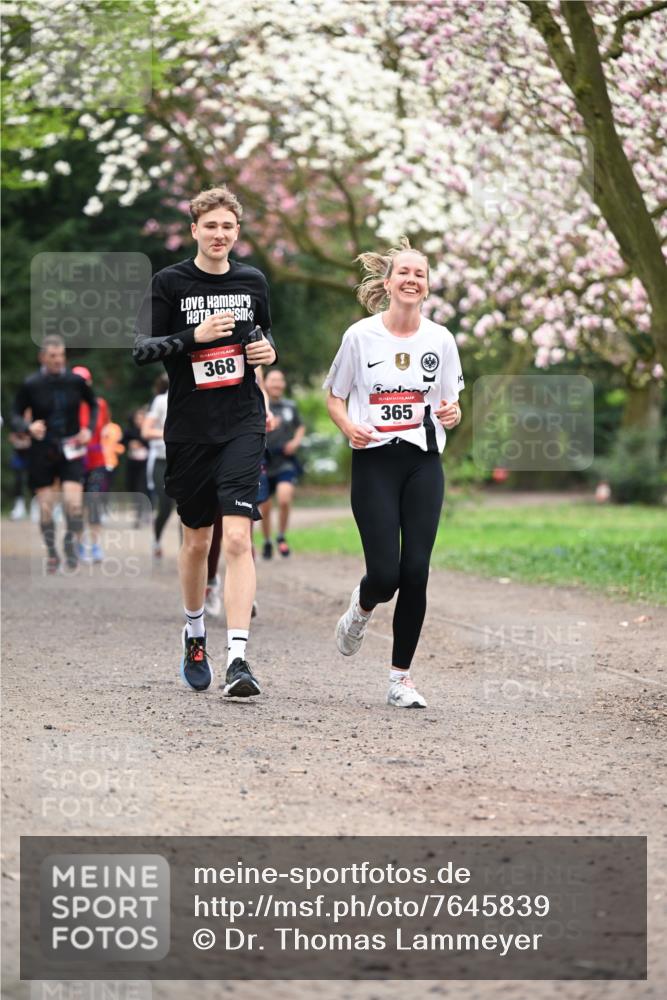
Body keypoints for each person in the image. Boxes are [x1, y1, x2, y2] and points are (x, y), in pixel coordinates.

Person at [133, 186, 276, 697]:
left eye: (228, 227)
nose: (219, 234)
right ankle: (195, 633)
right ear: (194, 230)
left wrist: (266, 351)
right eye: (210, 226)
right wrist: (194, 337)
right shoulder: (170, 283)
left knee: (236, 538)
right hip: (191, 429)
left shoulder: (252, 281)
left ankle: (238, 658)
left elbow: (265, 336)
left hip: (242, 420)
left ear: (237, 232)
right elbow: (141, 350)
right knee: (197, 541)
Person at [324, 238, 463, 709]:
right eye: (404, 272)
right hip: (375, 462)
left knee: (416, 571)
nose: (411, 280)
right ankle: (361, 609)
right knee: (385, 576)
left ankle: (400, 679)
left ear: (427, 286)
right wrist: (348, 426)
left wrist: (452, 414)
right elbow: (335, 396)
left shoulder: (441, 340)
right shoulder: (360, 336)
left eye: (419, 274)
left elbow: (450, 404)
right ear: (387, 283)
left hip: (423, 462)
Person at [12, 335, 97, 572]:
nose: (58, 360)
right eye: (53, 356)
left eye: (61, 355)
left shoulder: (76, 381)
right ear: (42, 358)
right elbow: (15, 414)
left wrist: (88, 429)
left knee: (74, 504)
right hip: (42, 449)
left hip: (71, 447)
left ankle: (70, 544)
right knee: (46, 507)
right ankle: (52, 553)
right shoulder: (31, 384)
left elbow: (93, 404)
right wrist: (28, 427)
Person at [259, 368, 305, 559]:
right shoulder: (259, 404)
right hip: (264, 461)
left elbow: (300, 426)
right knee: (265, 506)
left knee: (284, 498)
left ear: (284, 384)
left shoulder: (290, 406)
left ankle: (281, 536)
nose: (277, 384)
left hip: (284, 461)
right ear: (265, 383)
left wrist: (295, 442)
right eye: (273, 380)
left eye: (280, 380)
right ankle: (267, 540)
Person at [72, 365, 110, 563]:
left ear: (90, 383)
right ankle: (78, 545)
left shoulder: (99, 404)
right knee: (76, 506)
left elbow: (106, 427)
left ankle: (94, 545)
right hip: (74, 461)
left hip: (96, 460)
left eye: (84, 381)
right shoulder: (66, 406)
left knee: (94, 503)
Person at [141, 374, 174, 559]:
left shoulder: (195, 395)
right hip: (162, 460)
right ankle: (157, 540)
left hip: (186, 460)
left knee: (188, 508)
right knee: (165, 505)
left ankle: (187, 549)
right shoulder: (161, 401)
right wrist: (171, 434)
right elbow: (146, 431)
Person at [122, 407, 150, 528]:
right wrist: (130, 444)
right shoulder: (129, 431)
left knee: (141, 488)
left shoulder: (149, 431)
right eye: (137, 418)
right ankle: (138, 512)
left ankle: (140, 516)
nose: (139, 421)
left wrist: (143, 445)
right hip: (132, 464)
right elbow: (122, 442)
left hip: (145, 464)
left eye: (142, 418)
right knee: (132, 488)